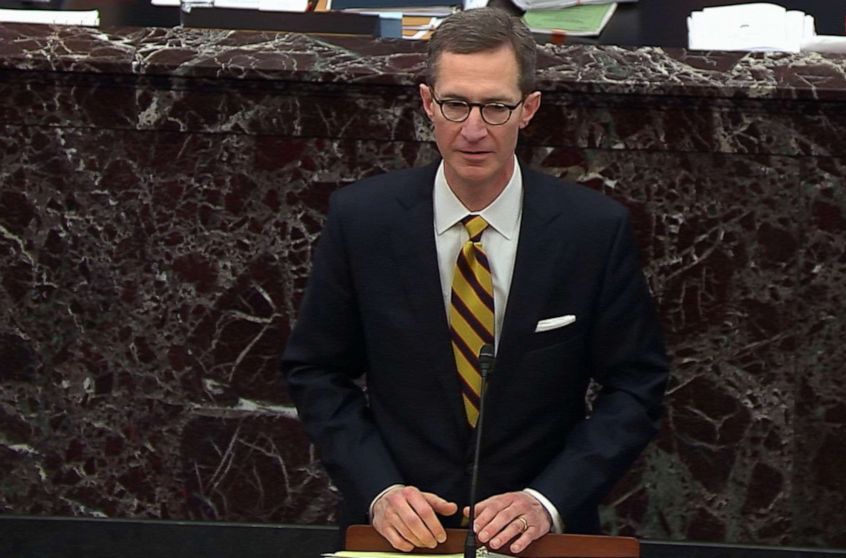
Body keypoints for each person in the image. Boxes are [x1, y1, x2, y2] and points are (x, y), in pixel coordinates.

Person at [281, 7, 668, 554]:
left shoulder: (591, 231)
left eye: (495, 107)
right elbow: (317, 371)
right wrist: (380, 490)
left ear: (528, 110)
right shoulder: (362, 220)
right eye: (456, 104)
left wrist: (548, 499)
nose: (473, 130)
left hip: (537, 538)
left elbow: (635, 387)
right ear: (426, 103)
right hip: (400, 534)